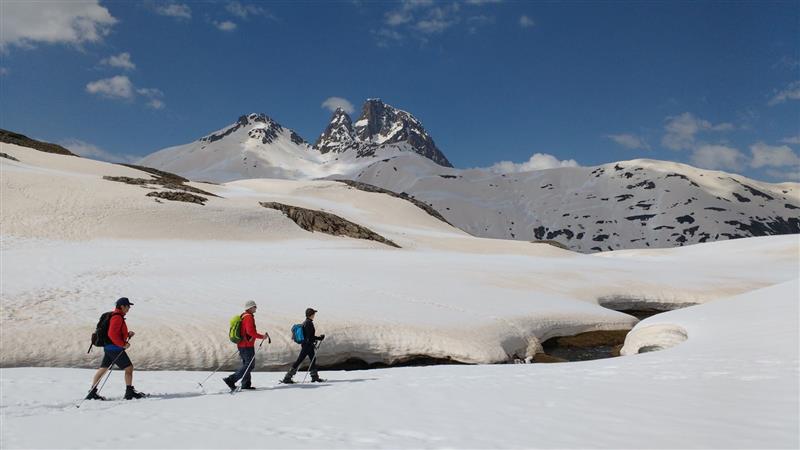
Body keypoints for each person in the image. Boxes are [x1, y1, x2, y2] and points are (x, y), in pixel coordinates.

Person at [85, 297, 146, 400]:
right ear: (122, 306)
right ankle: (129, 392)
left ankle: (92, 392)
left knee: (103, 369)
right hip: (114, 348)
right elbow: (112, 334)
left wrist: (127, 334)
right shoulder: (117, 317)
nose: (129, 308)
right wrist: (122, 344)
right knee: (129, 368)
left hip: (109, 347)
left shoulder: (115, 316)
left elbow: (116, 332)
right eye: (128, 306)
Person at [223, 300, 270, 391]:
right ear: (250, 308)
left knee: (246, 364)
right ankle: (231, 379)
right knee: (250, 365)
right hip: (247, 345)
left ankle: (246, 384)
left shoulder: (243, 316)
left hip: (242, 344)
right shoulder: (248, 317)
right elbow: (250, 332)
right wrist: (262, 337)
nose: (256, 308)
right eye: (254, 307)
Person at [282, 308, 325, 384]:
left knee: (312, 360)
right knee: (300, 360)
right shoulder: (309, 323)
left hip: (307, 345)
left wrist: (316, 339)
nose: (314, 315)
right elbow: (309, 336)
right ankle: (287, 377)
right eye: (314, 314)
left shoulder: (306, 322)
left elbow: (308, 336)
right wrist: (319, 338)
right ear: (311, 315)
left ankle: (314, 377)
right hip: (307, 346)